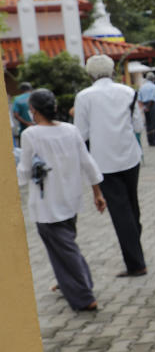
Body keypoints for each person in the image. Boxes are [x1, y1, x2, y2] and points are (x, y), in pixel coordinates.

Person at [17, 89, 107, 311]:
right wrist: (97, 192)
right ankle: (69, 284)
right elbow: (88, 163)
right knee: (64, 247)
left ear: (34, 111)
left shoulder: (31, 135)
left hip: (47, 204)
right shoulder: (70, 130)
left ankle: (84, 295)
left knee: (65, 250)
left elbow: (25, 171)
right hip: (70, 199)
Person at [74, 54, 148, 278]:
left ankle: (136, 263)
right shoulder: (127, 92)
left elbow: (81, 133)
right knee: (132, 207)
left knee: (120, 212)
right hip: (130, 156)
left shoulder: (84, 97)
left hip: (103, 161)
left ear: (90, 74)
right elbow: (137, 125)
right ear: (112, 70)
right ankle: (136, 252)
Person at [137, 72, 155, 146]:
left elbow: (139, 99)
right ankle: (154, 140)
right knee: (154, 123)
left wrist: (144, 107)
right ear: (153, 79)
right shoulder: (154, 86)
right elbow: (153, 98)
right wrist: (148, 107)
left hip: (144, 105)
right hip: (152, 105)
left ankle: (149, 141)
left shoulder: (142, 87)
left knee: (148, 123)